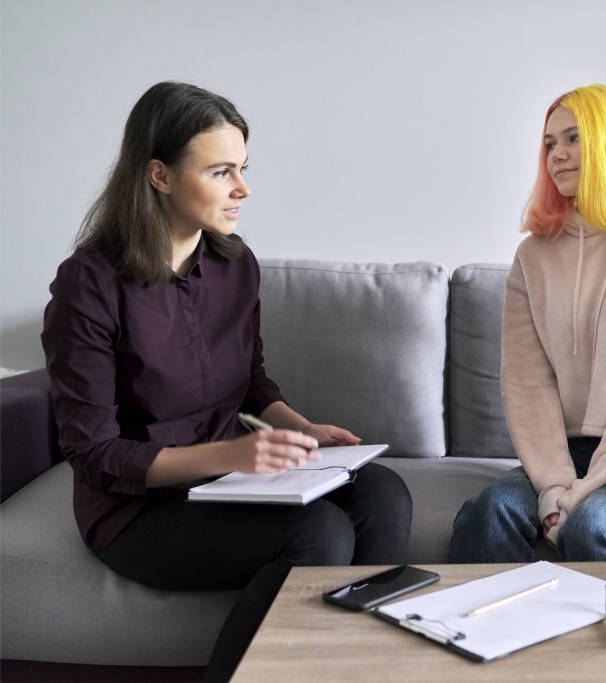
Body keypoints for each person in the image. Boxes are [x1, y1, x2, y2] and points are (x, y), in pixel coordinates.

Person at [40, 82, 412, 682]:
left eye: (242, 169)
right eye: (220, 172)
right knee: (316, 534)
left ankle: (352, 669)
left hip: (228, 480)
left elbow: (250, 381)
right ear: (159, 176)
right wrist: (234, 453)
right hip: (136, 511)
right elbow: (92, 454)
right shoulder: (90, 284)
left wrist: (300, 428)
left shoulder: (236, 264)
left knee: (383, 495)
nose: (243, 189)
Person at [451, 84, 606, 563]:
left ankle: (604, 640)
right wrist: (552, 486)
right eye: (550, 143)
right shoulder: (533, 255)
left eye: (573, 139)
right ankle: (490, 637)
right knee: (487, 513)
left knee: (594, 525)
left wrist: (585, 491)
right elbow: (527, 383)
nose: (557, 154)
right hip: (566, 452)